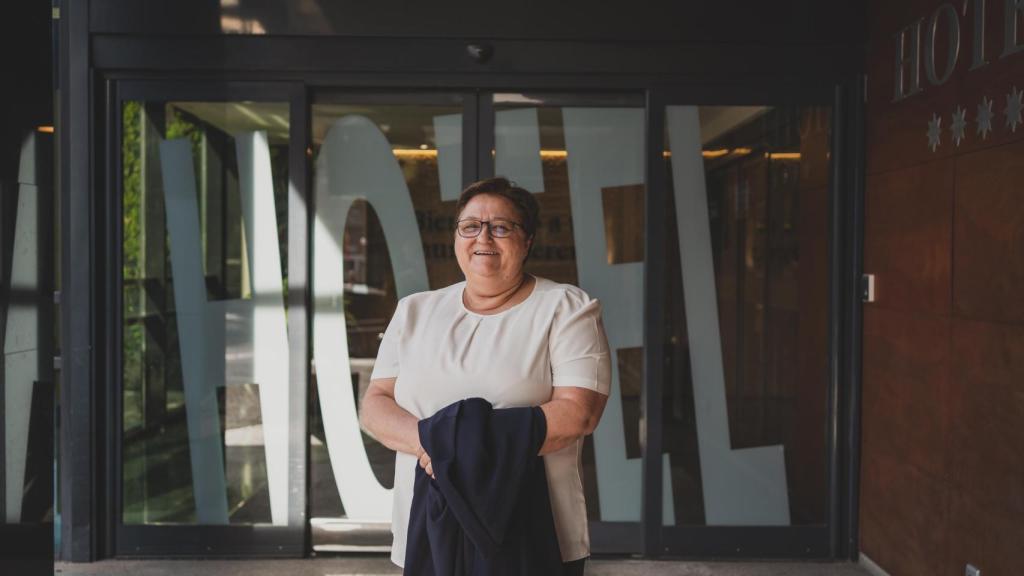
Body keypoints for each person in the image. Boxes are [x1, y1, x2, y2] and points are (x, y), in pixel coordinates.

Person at [360, 176, 611, 575]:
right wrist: (436, 447)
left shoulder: (565, 307)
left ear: (527, 240)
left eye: (501, 227)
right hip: (425, 527)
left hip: (532, 531)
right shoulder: (415, 311)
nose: (483, 238)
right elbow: (375, 406)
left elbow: (579, 414)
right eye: (470, 226)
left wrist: (449, 447)